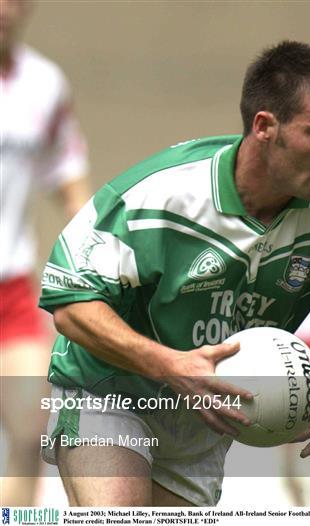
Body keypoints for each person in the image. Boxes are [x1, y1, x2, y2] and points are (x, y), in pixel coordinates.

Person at [37, 41, 310, 507]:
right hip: (109, 390)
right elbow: (71, 303)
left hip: (207, 418)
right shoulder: (160, 195)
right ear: (265, 126)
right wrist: (170, 365)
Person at [0, 0, 90, 505]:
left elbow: (68, 176)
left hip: (11, 290)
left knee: (32, 429)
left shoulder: (44, 84)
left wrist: (96, 249)